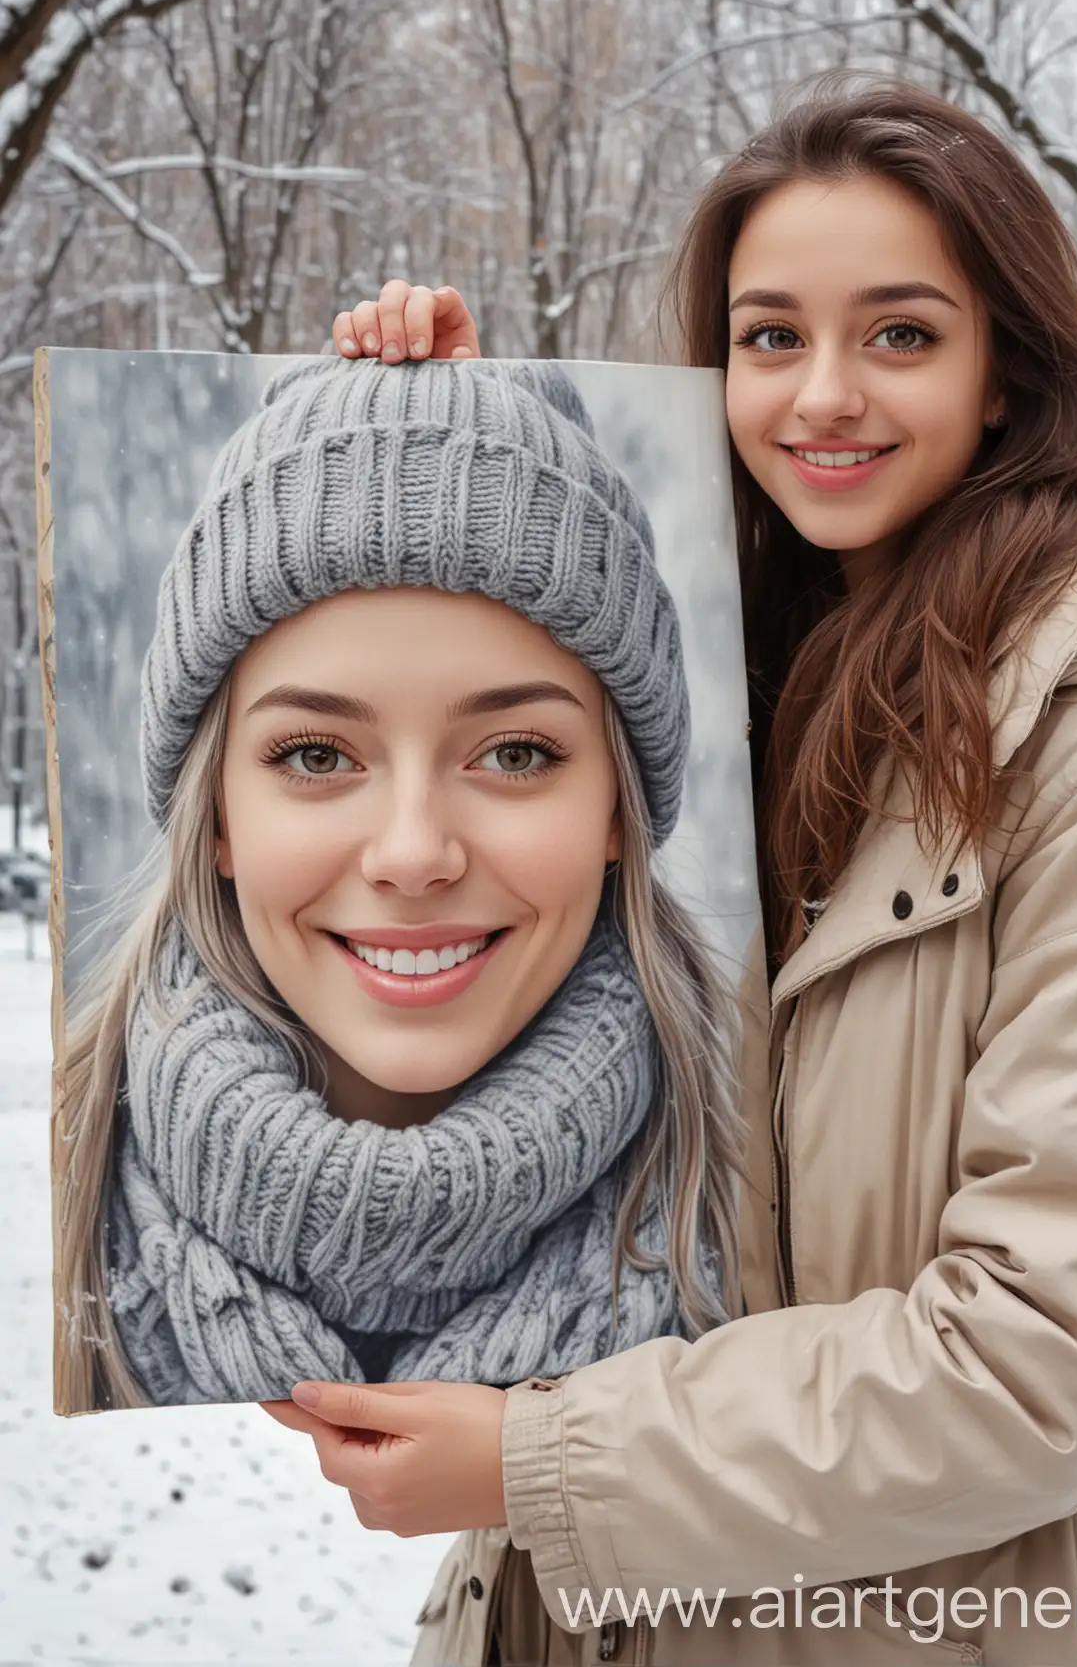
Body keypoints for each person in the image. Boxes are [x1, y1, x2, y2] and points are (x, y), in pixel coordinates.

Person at [275, 74, 1077, 1667]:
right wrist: (445, 453)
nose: (822, 394)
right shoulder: (716, 701)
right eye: (770, 338)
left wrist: (541, 1462)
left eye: (899, 333)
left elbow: (1060, 1359)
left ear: (1005, 371)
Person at [54, 354, 743, 1414]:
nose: (414, 854)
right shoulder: (49, 1213)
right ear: (220, 817)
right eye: (318, 757)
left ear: (618, 812)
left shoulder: (785, 1205)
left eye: (515, 753)